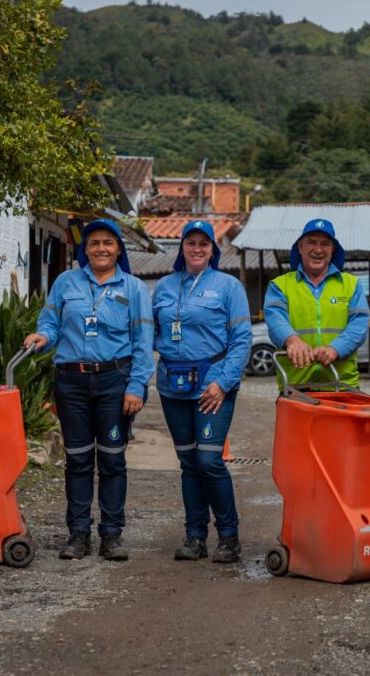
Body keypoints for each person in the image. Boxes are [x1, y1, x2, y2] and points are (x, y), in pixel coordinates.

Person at [25, 219, 154, 562]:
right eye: (94, 243)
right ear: (85, 249)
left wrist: (137, 385)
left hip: (115, 381)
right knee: (78, 459)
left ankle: (111, 536)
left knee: (112, 460)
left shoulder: (134, 288)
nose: (100, 248)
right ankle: (78, 534)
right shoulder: (66, 283)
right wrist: (42, 337)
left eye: (108, 243)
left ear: (118, 250)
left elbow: (143, 343)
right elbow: (50, 323)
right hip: (72, 383)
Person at [152, 220, 252, 563]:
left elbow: (241, 341)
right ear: (182, 247)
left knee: (209, 460)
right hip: (172, 385)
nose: (197, 248)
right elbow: (150, 336)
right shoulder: (164, 287)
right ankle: (195, 537)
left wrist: (222, 383)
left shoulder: (229, 287)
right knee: (188, 463)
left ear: (213, 249)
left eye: (203, 244)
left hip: (213, 385)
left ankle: (229, 536)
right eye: (190, 242)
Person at [263, 218, 369, 389]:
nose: (318, 250)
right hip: (296, 385)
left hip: (342, 384)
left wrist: (336, 348)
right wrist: (292, 340)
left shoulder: (351, 284)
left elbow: (359, 324)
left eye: (325, 244)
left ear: (333, 249)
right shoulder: (280, 285)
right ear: (300, 247)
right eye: (311, 242)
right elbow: (275, 319)